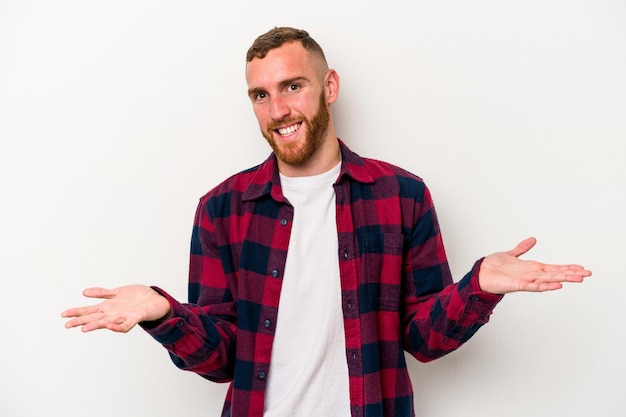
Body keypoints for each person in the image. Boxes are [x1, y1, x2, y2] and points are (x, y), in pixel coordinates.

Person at [62, 27, 591, 417]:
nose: (277, 110)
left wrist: (478, 287)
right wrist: (163, 314)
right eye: (261, 95)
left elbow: (423, 340)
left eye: (293, 86)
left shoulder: (400, 195)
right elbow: (223, 360)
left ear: (329, 86)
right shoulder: (221, 209)